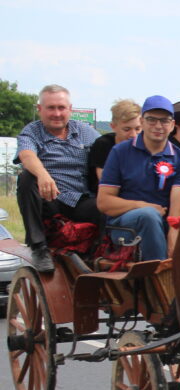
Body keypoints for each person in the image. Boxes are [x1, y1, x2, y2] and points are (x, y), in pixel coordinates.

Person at [15, 84, 101, 272]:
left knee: (107, 205)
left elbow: (107, 150)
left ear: (70, 110)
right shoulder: (32, 131)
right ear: (40, 110)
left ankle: (107, 252)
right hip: (49, 199)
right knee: (26, 178)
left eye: (61, 108)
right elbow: (27, 155)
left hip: (80, 199)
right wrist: (43, 174)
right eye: (51, 108)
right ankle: (39, 247)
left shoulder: (86, 132)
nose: (56, 113)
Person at [97, 95, 180, 261]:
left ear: (172, 125)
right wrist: (140, 206)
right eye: (151, 120)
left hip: (164, 222)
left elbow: (177, 209)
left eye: (164, 120)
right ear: (142, 121)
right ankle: (159, 276)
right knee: (148, 215)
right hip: (125, 226)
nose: (158, 126)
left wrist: (173, 233)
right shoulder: (120, 152)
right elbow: (104, 202)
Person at [88, 99, 142, 193]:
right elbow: (105, 182)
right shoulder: (103, 145)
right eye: (126, 129)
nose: (133, 135)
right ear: (113, 126)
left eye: (137, 129)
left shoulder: (144, 145)